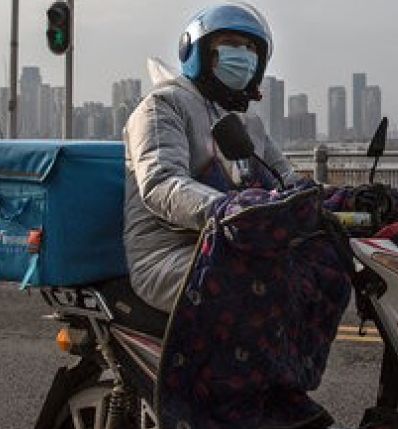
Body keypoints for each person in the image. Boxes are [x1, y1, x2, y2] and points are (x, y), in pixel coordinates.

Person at [123, 2, 295, 314]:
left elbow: (286, 181)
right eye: (229, 44)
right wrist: (224, 207)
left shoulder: (248, 121)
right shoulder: (162, 105)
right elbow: (160, 183)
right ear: (198, 51)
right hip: (168, 253)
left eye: (249, 48)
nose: (241, 54)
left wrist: (340, 200)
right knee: (260, 283)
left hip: (230, 243)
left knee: (316, 266)